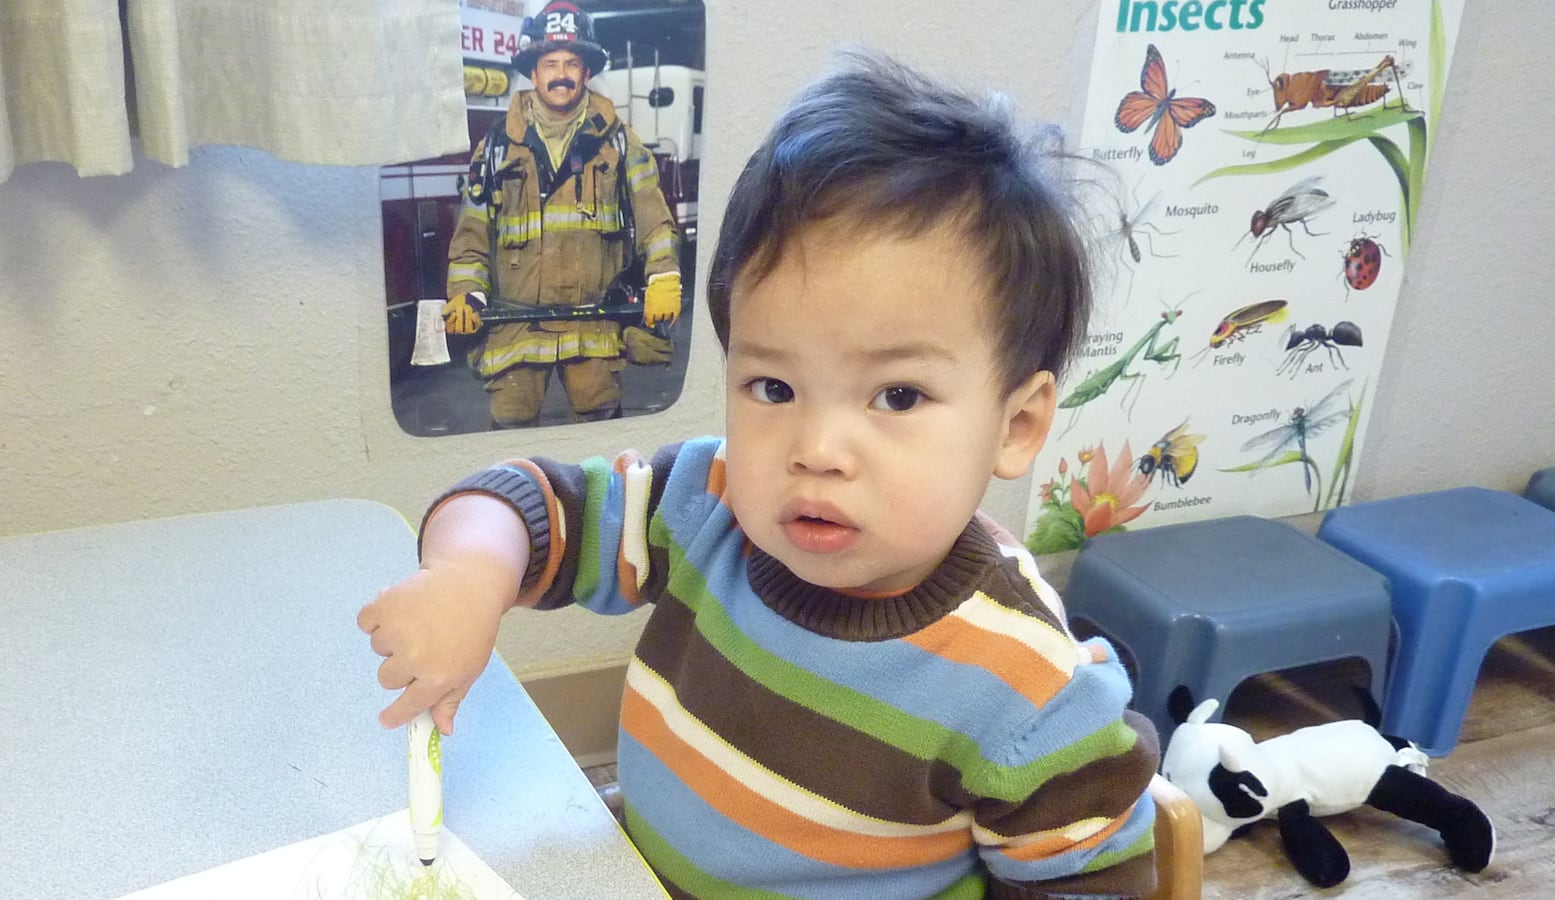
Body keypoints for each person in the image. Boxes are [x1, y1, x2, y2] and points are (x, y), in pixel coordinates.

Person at [361, 50, 1159, 899]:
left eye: (897, 395)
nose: (815, 447)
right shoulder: (708, 503)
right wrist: (465, 579)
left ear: (1017, 423)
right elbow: (529, 506)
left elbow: (1097, 882)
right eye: (772, 387)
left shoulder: (1031, 691)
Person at [441, 0, 681, 426]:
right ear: (533, 72)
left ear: (587, 73)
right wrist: (466, 293)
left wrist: (662, 276)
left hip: (594, 321)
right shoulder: (496, 146)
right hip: (516, 323)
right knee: (510, 425)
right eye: (550, 63)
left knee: (599, 424)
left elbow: (653, 217)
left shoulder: (619, 142)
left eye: (572, 62)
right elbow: (472, 233)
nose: (561, 74)